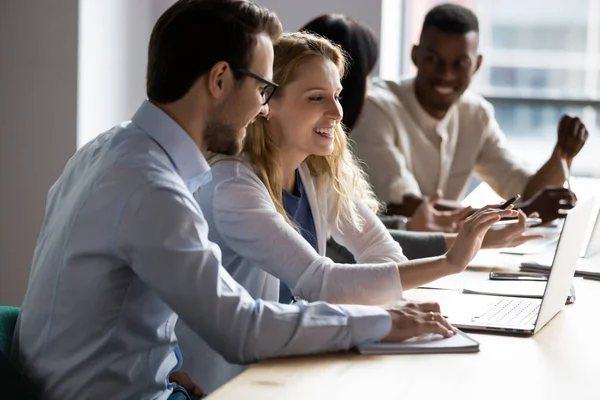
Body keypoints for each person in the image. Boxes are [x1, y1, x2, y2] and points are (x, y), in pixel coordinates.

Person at [11, 2, 460, 399]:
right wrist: (383, 323)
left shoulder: (108, 149)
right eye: (264, 89)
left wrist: (165, 371)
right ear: (221, 80)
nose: (264, 108)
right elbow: (241, 329)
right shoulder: (154, 189)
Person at [176, 31, 516, 392]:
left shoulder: (313, 172)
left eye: (336, 96)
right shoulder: (234, 187)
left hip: (285, 369)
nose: (338, 112)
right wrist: (450, 261)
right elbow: (322, 282)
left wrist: (408, 316)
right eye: (317, 98)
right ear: (267, 102)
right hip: (227, 383)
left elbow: (380, 251)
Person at [299, 13, 542, 264]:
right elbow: (335, 256)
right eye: (367, 79)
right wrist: (472, 242)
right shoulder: (294, 163)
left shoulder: (322, 161)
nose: (340, 109)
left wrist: (410, 225)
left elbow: (359, 231)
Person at [350, 3, 589, 224]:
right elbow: (404, 205)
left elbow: (528, 192)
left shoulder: (476, 115)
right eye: (434, 59)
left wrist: (563, 155)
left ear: (476, 64)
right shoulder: (376, 107)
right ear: (415, 55)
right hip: (388, 257)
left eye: (460, 63)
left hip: (448, 253)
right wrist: (521, 212)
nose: (446, 74)